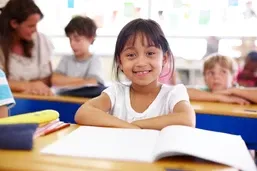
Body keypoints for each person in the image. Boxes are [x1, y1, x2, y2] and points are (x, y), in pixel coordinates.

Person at [75, 18, 195, 130]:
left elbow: (187, 119)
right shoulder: (117, 92)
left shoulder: (173, 93)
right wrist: (129, 128)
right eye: (131, 55)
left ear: (164, 59)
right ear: (120, 62)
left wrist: (137, 126)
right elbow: (83, 112)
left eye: (150, 53)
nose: (141, 63)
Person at [0, 0, 53, 96]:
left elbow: (47, 78)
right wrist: (26, 85)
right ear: (14, 24)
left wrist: (35, 87)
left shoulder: (40, 40)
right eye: (31, 26)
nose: (35, 30)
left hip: (36, 99)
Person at [51, 16, 104, 87]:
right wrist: (84, 80)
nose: (72, 44)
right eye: (70, 39)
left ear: (91, 39)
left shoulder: (95, 60)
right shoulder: (66, 59)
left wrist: (64, 80)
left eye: (77, 40)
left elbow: (93, 82)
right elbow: (54, 80)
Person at [187, 53, 257, 104]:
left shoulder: (238, 92)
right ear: (204, 78)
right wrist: (219, 97)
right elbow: (185, 92)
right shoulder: (205, 91)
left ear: (233, 77)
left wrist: (231, 91)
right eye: (211, 73)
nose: (216, 77)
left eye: (223, 72)